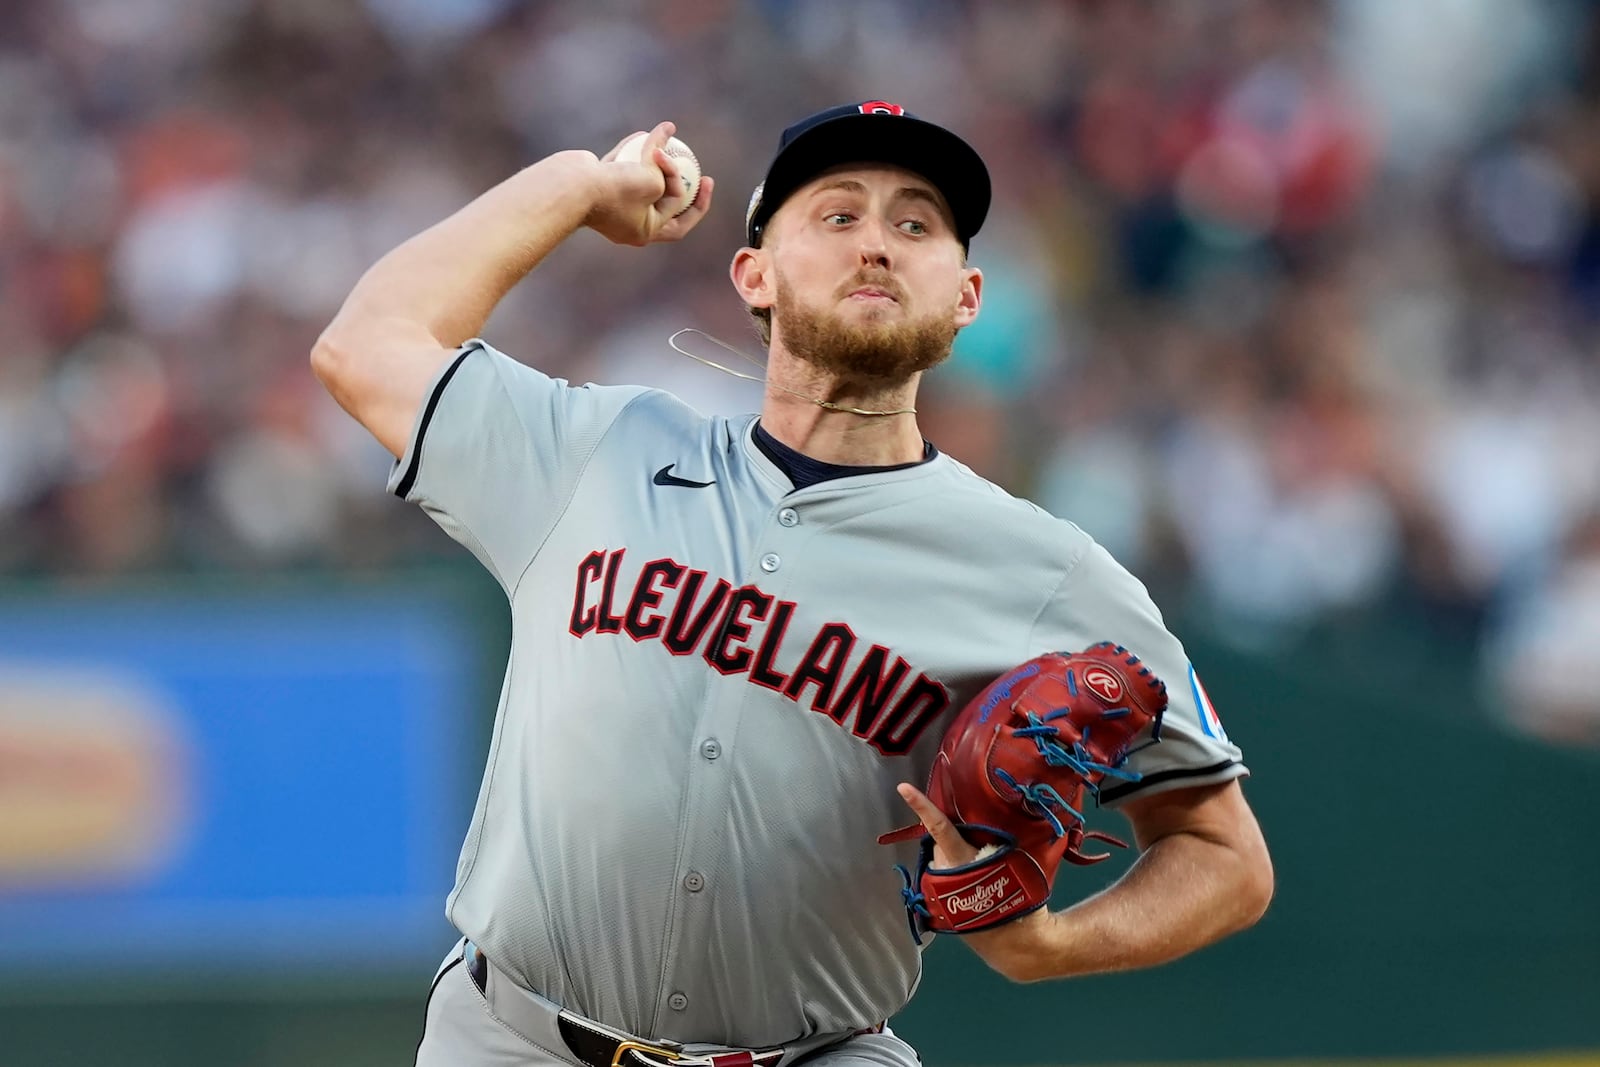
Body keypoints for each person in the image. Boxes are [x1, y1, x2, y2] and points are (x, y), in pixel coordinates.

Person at [312, 101, 1273, 1067]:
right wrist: (578, 186)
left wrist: (1053, 944)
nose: (878, 246)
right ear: (753, 273)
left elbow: (1226, 858)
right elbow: (365, 343)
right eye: (837, 214)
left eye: (915, 224)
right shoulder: (599, 452)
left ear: (967, 296)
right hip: (511, 1041)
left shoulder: (1047, 571)